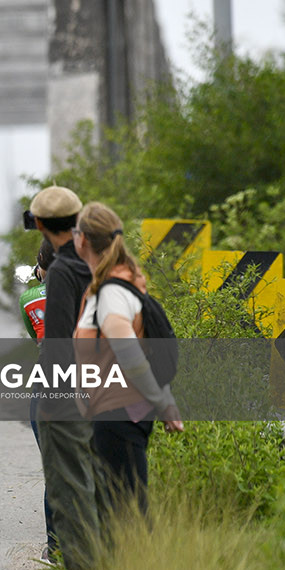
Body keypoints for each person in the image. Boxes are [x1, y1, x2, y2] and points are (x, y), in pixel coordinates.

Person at [72, 202, 183, 517]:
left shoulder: (111, 293)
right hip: (113, 413)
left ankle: (142, 567)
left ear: (83, 240)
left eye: (77, 231)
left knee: (128, 516)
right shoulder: (112, 285)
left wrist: (162, 402)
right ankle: (123, 566)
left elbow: (131, 354)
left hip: (119, 414)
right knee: (120, 513)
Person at [27, 184, 98, 570]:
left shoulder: (62, 271)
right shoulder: (102, 257)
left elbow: (57, 343)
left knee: (65, 476)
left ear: (38, 224)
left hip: (71, 386)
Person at [20, 239, 55, 566]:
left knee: (55, 466)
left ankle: (56, 547)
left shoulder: (30, 298)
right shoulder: (94, 291)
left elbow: (36, 337)